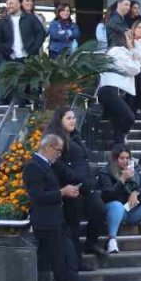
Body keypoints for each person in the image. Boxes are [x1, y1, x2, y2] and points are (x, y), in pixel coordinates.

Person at [25, 134, 96, 281]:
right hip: (46, 222)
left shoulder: (47, 165)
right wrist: (62, 192)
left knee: (68, 257)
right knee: (60, 260)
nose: (59, 154)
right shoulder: (33, 166)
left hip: (57, 219)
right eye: (57, 150)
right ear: (48, 147)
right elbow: (37, 196)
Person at [44, 107, 107, 262]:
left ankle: (91, 242)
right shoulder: (56, 139)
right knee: (74, 225)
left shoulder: (75, 136)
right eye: (69, 118)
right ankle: (76, 260)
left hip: (86, 184)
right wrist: (73, 178)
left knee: (99, 210)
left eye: (74, 118)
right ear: (60, 121)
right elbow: (57, 163)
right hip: (70, 187)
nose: (73, 120)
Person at [98, 144, 141, 254]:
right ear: (115, 158)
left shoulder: (136, 167)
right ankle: (112, 241)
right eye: (121, 158)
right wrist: (122, 180)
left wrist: (135, 192)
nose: (125, 161)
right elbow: (107, 194)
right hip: (115, 208)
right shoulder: (105, 171)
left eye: (127, 158)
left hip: (132, 207)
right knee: (117, 205)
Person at [95, 28, 141, 145]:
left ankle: (118, 147)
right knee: (129, 117)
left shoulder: (116, 51)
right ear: (122, 39)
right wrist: (136, 60)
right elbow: (133, 69)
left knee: (118, 125)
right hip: (110, 90)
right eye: (128, 37)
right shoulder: (118, 51)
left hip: (111, 90)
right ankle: (121, 139)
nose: (131, 40)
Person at [0, 0, 45, 64]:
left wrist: (33, 49)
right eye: (7, 4)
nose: (8, 6)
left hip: (29, 59)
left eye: (11, 3)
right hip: (10, 59)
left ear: (19, 5)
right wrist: (5, 51)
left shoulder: (31, 18)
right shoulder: (4, 21)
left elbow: (41, 33)